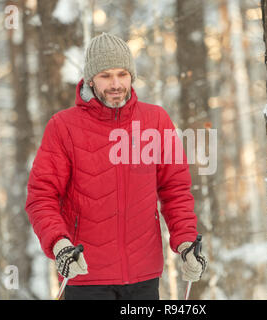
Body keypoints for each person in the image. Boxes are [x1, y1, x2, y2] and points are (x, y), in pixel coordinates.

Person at [25, 32, 206, 300]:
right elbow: (41, 197)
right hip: (84, 274)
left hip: (144, 277)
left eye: (122, 74)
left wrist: (186, 242)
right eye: (106, 75)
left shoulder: (155, 120)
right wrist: (60, 244)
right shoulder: (63, 127)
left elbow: (175, 190)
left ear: (132, 76)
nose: (116, 83)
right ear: (90, 80)